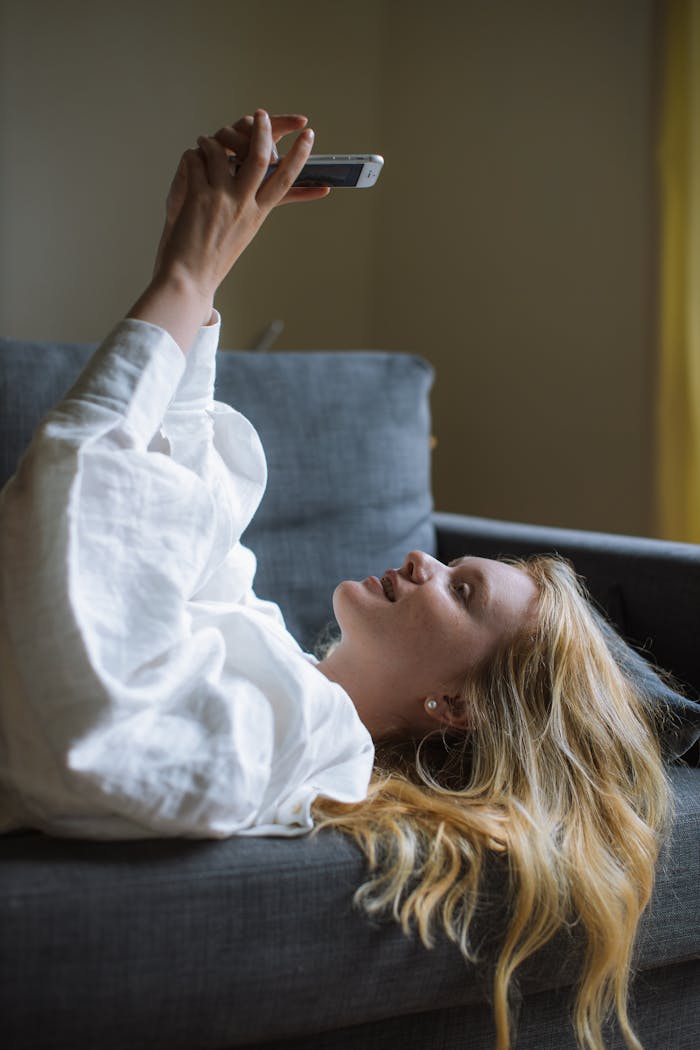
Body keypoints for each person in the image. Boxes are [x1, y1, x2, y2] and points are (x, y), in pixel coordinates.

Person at [0, 111, 672, 1050]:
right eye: (452, 565)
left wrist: (184, 280)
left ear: (454, 705)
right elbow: (181, 533)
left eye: (460, 590)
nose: (421, 559)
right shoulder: (279, 666)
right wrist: (195, 272)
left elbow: (90, 657)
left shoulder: (296, 744)